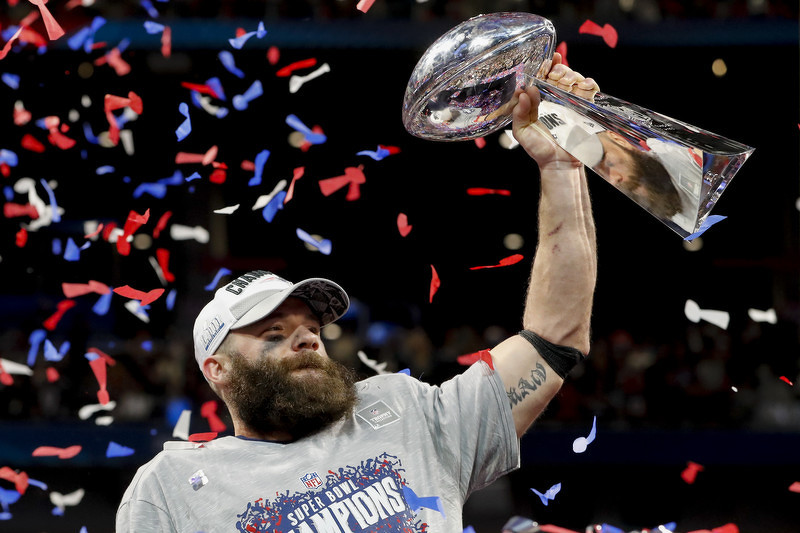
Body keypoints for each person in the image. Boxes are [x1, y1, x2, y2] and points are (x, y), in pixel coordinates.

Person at [116, 53, 598, 533]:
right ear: (217, 370)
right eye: (272, 333)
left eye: (310, 327)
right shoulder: (170, 488)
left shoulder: (408, 413)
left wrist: (561, 165)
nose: (307, 339)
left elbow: (554, 337)